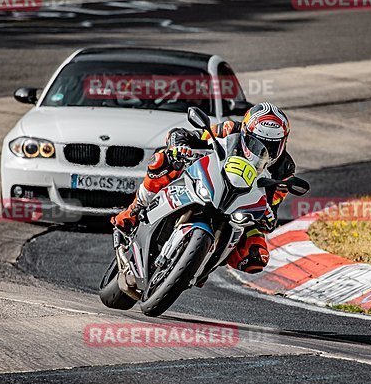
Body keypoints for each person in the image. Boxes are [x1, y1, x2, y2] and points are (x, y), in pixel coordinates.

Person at [111, 102, 296, 274]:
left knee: (256, 255)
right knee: (162, 159)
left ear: (284, 142)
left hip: (241, 206)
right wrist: (180, 147)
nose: (264, 150)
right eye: (257, 141)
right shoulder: (229, 129)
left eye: (272, 146)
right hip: (211, 180)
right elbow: (183, 134)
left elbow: (272, 207)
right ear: (246, 132)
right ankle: (135, 209)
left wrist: (269, 217)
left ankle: (204, 264)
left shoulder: (284, 169)